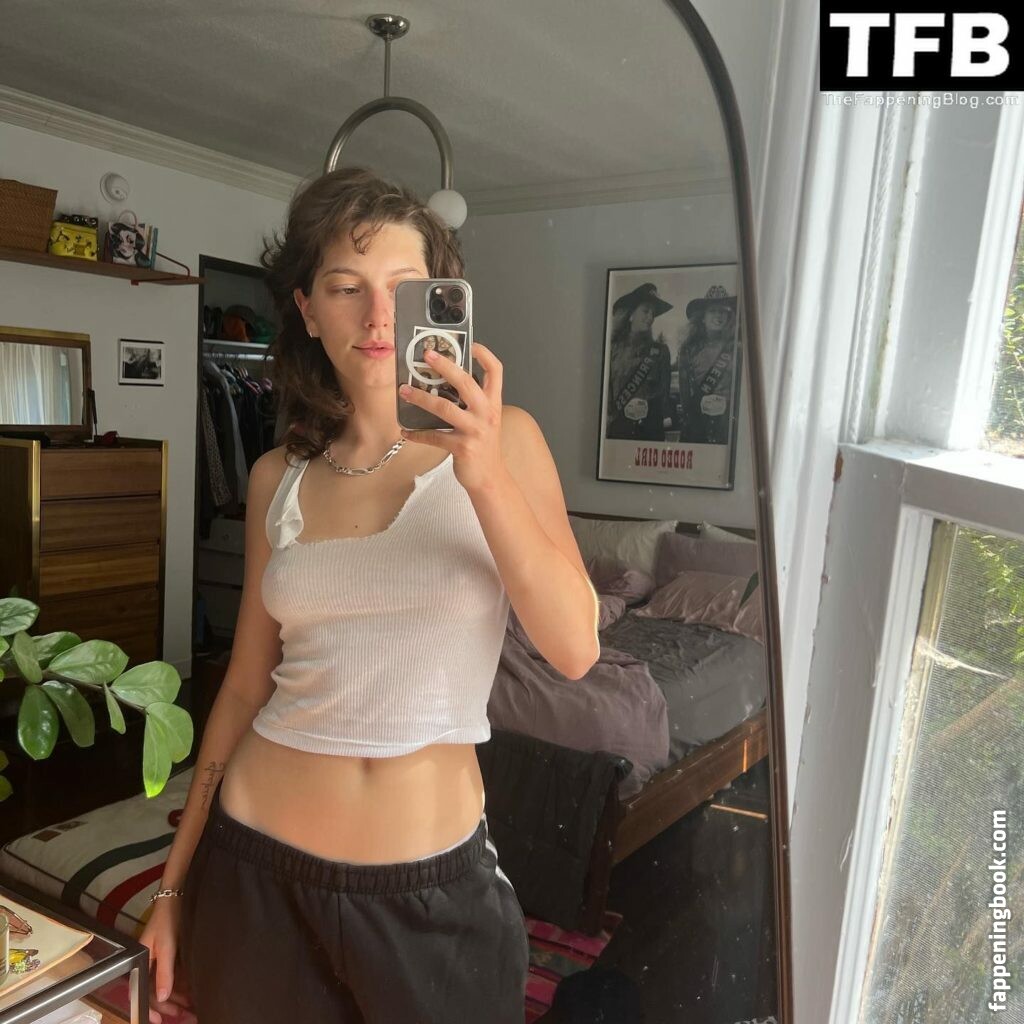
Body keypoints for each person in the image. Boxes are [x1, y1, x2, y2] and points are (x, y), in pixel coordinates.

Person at [139, 167, 600, 1024]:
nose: (379, 316)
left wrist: (484, 476)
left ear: (443, 300)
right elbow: (243, 688)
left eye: (404, 287)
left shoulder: (508, 443)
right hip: (255, 872)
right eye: (346, 288)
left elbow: (574, 648)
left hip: (430, 891)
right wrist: (172, 888)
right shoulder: (277, 476)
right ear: (309, 310)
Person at [605, 283, 673, 441]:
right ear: (630, 315)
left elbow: (664, 396)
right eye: (645, 311)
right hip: (619, 431)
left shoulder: (660, 352)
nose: (650, 318)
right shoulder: (612, 349)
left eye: (653, 313)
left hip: (650, 431)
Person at [676, 284, 739, 445]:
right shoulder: (688, 349)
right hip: (697, 427)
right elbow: (685, 397)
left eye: (723, 311)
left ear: (729, 316)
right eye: (713, 311)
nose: (718, 316)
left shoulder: (737, 348)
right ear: (702, 317)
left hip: (726, 427)